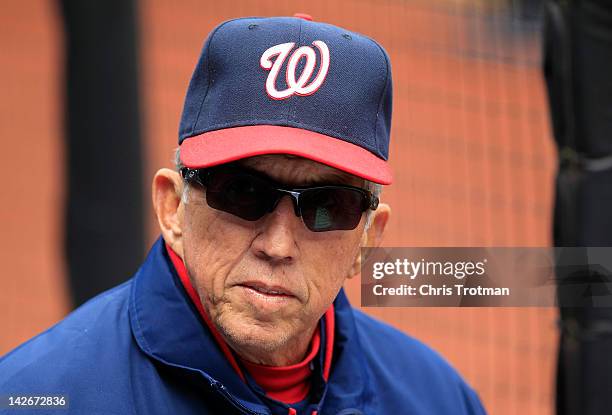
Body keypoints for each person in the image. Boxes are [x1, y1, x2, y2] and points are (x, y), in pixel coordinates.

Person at [0, 15, 486, 415]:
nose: (277, 246)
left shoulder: (437, 399)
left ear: (367, 239)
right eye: (242, 193)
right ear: (172, 208)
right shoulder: (36, 397)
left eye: (326, 207)